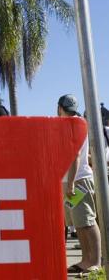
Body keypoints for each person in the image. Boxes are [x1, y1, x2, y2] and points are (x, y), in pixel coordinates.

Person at [58, 95, 101, 274]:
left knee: (87, 221)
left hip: (78, 180)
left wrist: (70, 184)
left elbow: (75, 155)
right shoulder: (75, 123)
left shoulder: (73, 125)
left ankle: (96, 262)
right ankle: (86, 260)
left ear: (60, 107)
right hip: (73, 180)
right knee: (79, 222)